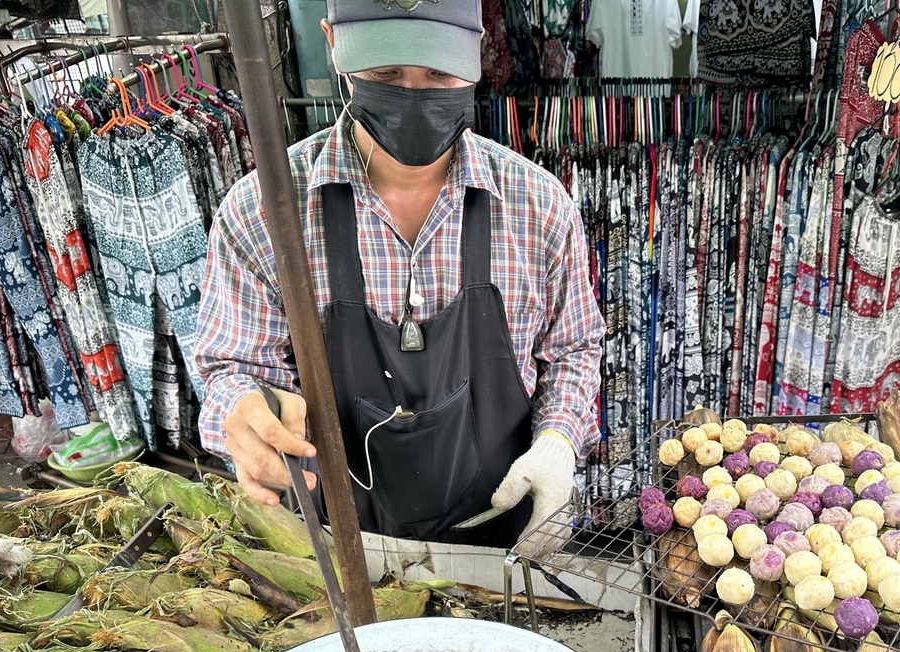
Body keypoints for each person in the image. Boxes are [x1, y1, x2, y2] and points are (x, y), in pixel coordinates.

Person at [195, 0, 604, 551]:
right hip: (339, 547)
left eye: (439, 73)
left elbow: (574, 349)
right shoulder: (265, 212)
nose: (413, 94)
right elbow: (233, 369)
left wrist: (557, 442)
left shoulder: (538, 207)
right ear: (333, 43)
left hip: (503, 540)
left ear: (479, 54)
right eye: (386, 74)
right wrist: (247, 412)